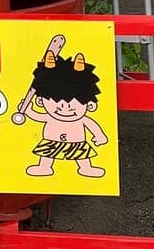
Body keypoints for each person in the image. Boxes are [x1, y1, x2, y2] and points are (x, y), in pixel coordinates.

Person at [19, 48, 107, 178]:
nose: (65, 109)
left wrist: (100, 136)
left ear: (90, 104)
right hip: (51, 140)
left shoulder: (81, 119)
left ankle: (86, 168)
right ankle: (44, 167)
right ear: (40, 101)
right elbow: (38, 116)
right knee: (47, 155)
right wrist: (28, 110)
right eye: (57, 104)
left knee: (81, 155)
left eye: (72, 105)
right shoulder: (50, 116)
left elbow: (91, 124)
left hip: (76, 141)